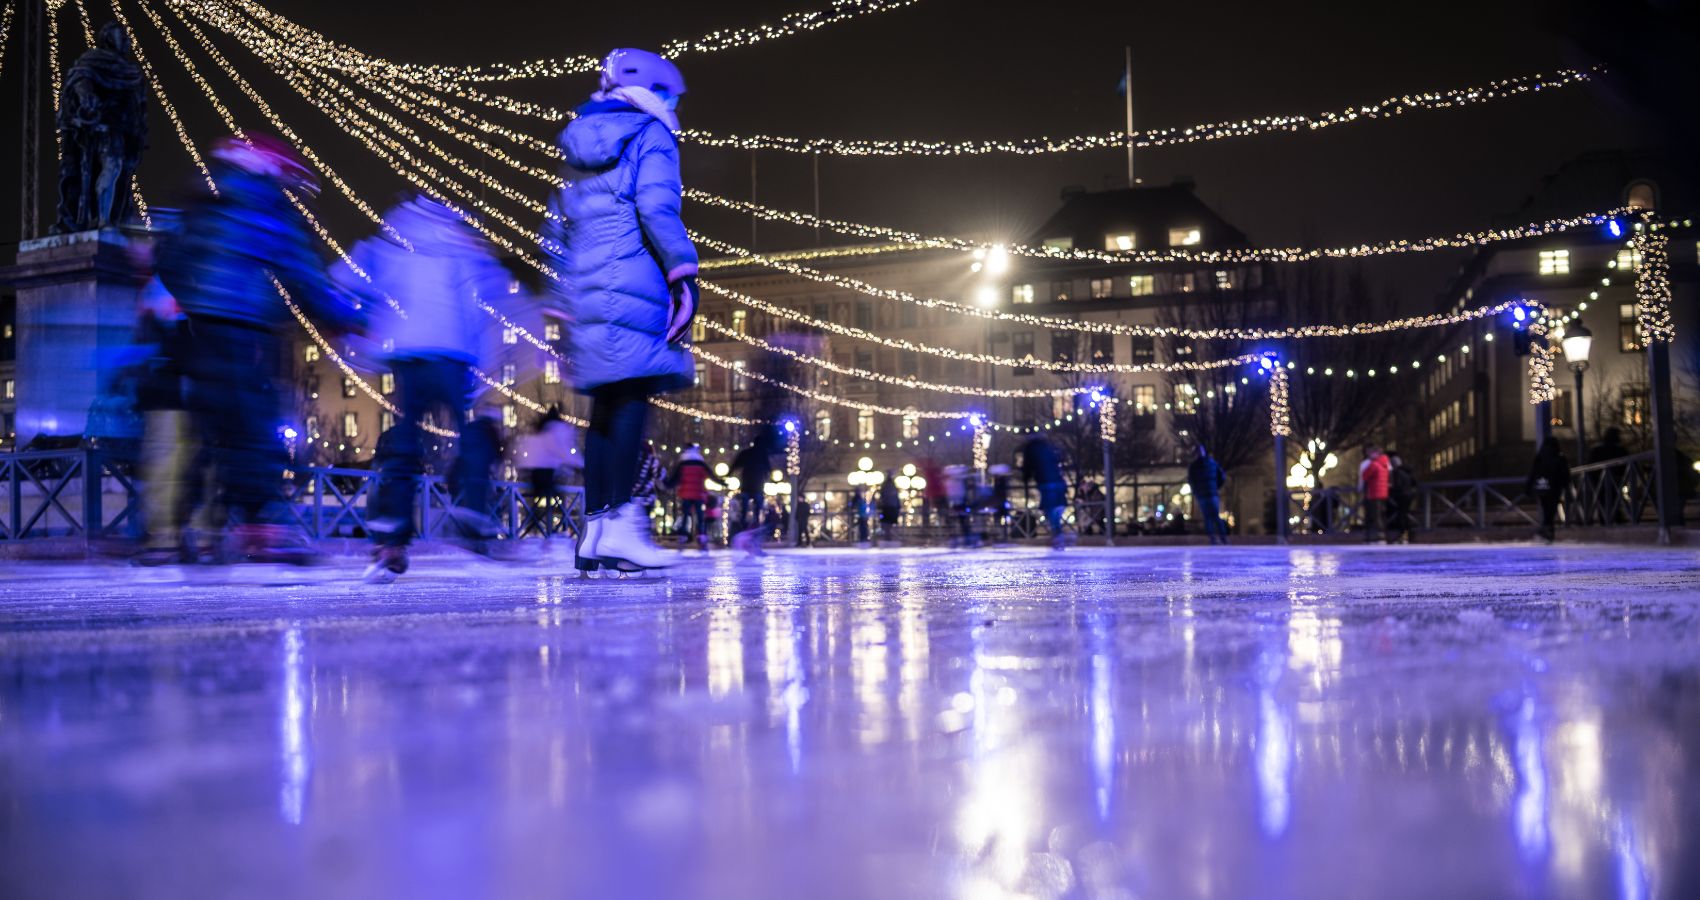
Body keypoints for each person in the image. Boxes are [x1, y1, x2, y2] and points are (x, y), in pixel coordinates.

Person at [153, 134, 358, 564]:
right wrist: (343, 315)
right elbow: (298, 266)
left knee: (212, 430)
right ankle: (262, 529)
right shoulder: (265, 200)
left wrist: (191, 301)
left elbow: (169, 257)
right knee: (253, 424)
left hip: (200, 327)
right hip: (243, 325)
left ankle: (179, 533)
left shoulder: (205, 193)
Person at [544, 49, 698, 573]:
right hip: (632, 281)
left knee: (607, 408)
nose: (674, 106)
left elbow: (556, 229)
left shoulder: (578, 148)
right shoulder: (650, 135)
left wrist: (563, 300)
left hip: (589, 291)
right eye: (672, 96)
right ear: (653, 90)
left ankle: (595, 533)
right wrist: (683, 272)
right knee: (631, 399)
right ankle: (622, 527)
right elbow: (657, 207)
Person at [335, 193, 513, 582]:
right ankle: (474, 511)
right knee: (471, 432)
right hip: (452, 354)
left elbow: (346, 275)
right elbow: (484, 297)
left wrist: (359, 327)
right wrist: (485, 363)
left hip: (410, 353)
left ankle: (392, 536)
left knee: (405, 443)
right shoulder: (461, 245)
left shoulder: (394, 240)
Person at [516, 408, 581, 541]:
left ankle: (533, 528)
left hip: (534, 469)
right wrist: (579, 464)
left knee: (540, 500)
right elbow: (561, 451)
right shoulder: (556, 429)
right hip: (547, 470)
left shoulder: (541, 429)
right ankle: (553, 530)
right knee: (555, 497)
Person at [730, 432, 774, 556]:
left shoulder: (746, 453)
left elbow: (735, 465)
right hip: (758, 487)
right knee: (758, 510)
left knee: (744, 509)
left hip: (746, 486)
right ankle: (754, 527)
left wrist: (727, 475)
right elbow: (768, 469)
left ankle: (744, 526)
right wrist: (771, 478)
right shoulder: (763, 455)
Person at [1021, 436, 1069, 550]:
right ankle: (1058, 534)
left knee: (1050, 510)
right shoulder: (1048, 446)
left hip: (1046, 482)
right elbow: (1058, 460)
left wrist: (1026, 478)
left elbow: (1028, 466)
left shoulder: (1030, 448)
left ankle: (1058, 536)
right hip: (1058, 482)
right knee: (1056, 508)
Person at [665, 444, 712, 550]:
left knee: (685, 515)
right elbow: (711, 474)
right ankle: (702, 535)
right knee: (700, 515)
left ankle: (683, 535)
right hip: (698, 493)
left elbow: (675, 479)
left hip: (685, 494)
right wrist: (722, 482)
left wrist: (667, 484)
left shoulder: (683, 463)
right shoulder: (700, 462)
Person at [1527, 439, 1572, 542]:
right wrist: (1566, 485)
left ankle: (1546, 531)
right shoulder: (1559, 458)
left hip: (1542, 487)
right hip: (1555, 488)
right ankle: (1547, 531)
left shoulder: (1540, 457)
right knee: (1551, 511)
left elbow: (1533, 473)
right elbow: (1565, 474)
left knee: (1546, 509)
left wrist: (1529, 487)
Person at [1187, 444, 1229, 545]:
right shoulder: (1211, 463)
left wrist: (1197, 491)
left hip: (1205, 494)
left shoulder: (1196, 466)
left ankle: (1216, 539)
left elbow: (1191, 481)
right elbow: (1222, 476)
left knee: (1210, 517)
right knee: (1213, 517)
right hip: (1209, 494)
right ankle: (1221, 539)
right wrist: (1215, 487)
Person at [1357, 444, 1390, 542]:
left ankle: (1377, 536)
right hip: (1383, 492)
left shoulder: (1374, 464)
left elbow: (1365, 476)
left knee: (1374, 515)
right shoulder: (1385, 463)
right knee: (1380, 514)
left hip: (1374, 492)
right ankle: (1381, 534)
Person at [1385, 450, 1418, 544]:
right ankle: (1407, 535)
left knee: (1401, 515)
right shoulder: (1408, 471)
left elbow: (1397, 485)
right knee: (1405, 514)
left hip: (1401, 496)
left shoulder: (1397, 473)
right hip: (1409, 495)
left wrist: (1391, 488)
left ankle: (1403, 536)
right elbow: (1414, 483)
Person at [877, 472, 902, 544]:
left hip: (887, 508)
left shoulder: (885, 486)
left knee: (886, 524)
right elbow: (896, 498)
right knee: (890, 524)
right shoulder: (892, 487)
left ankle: (888, 536)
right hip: (891, 508)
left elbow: (882, 496)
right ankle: (890, 537)